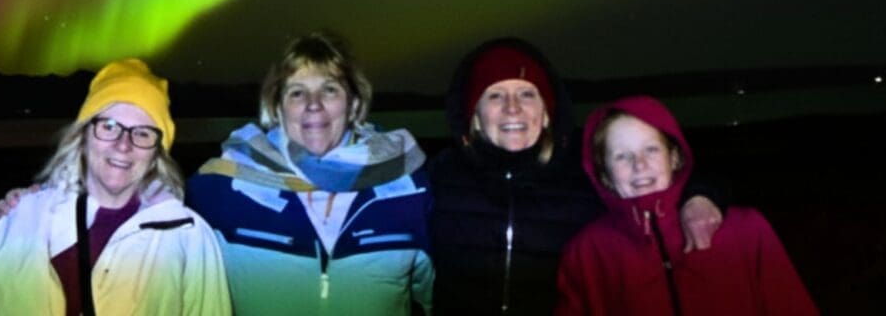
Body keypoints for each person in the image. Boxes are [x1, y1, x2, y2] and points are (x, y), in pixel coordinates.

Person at [428, 38, 727, 314]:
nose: (513, 108)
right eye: (495, 95)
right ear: (475, 117)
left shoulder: (582, 172)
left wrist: (699, 197)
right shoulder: (441, 175)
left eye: (527, 94)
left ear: (547, 112)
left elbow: (655, 180)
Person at [0, 58, 231, 315]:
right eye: (109, 126)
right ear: (82, 136)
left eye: (143, 133)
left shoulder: (189, 238)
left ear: (157, 153)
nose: (123, 145)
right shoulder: (20, 221)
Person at [186, 32, 433, 315]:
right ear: (277, 108)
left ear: (353, 104)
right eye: (297, 92)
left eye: (329, 89)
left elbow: (438, 296)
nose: (313, 104)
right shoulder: (222, 187)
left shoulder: (409, 189)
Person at [556, 95, 817, 316]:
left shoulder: (746, 230)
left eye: (651, 149)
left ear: (675, 157)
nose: (640, 165)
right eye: (622, 156)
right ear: (604, 174)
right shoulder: (585, 254)